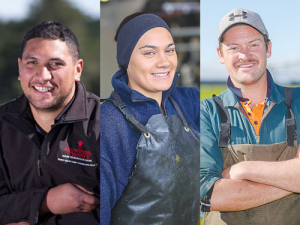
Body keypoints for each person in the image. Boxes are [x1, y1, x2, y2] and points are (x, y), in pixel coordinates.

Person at [200, 8, 300, 225]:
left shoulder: (299, 101)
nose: (244, 55)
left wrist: (242, 170)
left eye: (253, 45)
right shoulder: (205, 112)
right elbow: (209, 196)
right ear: (220, 54)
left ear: (268, 48)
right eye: (234, 47)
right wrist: (291, 179)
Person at [100, 12, 200, 225]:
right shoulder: (109, 123)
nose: (164, 62)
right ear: (127, 60)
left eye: (170, 50)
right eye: (149, 53)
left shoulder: (187, 103)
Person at [0, 21, 100, 225]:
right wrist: (46, 201)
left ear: (77, 69)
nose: (43, 76)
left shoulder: (106, 125)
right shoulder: (2, 123)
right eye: (32, 63)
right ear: (20, 68)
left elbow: (130, 209)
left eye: (56, 64)